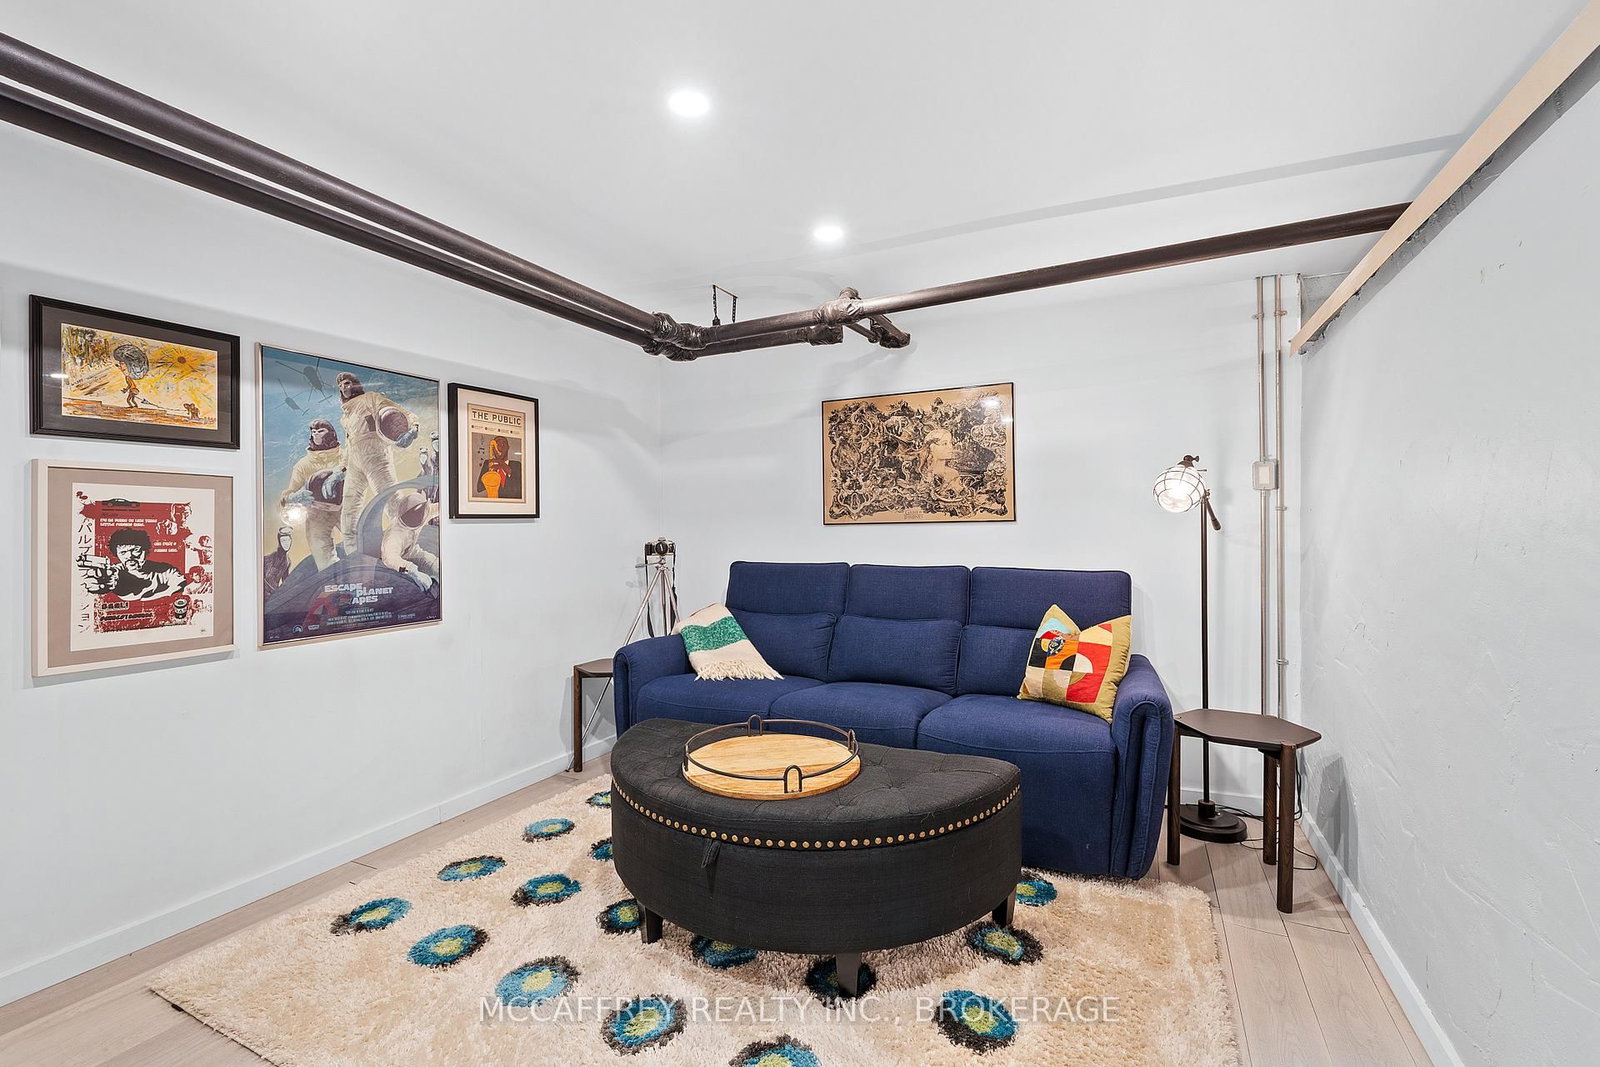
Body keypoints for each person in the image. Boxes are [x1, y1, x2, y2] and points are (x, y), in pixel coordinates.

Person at [334, 371, 418, 553]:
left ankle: (408, 550)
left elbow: (402, 413)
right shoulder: (346, 416)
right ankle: (353, 555)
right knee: (349, 510)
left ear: (355, 384)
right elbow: (350, 443)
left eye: (347, 383)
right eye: (340, 385)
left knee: (391, 501)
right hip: (355, 462)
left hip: (376, 456)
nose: (343, 387)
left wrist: (412, 429)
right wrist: (342, 468)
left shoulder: (370, 398)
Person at [279, 419, 344, 568]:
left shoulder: (345, 456)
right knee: (322, 554)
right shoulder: (303, 465)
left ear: (331, 434)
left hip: (346, 506)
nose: (316, 435)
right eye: (313, 432)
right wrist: (293, 498)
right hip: (317, 512)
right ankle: (332, 579)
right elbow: (288, 495)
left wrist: (342, 473)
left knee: (361, 542)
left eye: (321, 431)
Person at [84, 528, 185, 601]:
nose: (129, 556)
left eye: (135, 550)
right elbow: (112, 576)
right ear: (116, 554)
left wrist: (146, 599)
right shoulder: (116, 571)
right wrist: (104, 582)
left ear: (145, 550)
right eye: (123, 552)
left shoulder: (165, 570)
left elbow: (180, 584)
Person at [380, 489, 439, 593]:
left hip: (412, 551)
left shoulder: (425, 511)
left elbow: (439, 508)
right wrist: (412, 571)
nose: (414, 518)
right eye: (412, 516)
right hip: (398, 562)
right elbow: (390, 559)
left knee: (436, 565)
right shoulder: (394, 535)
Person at [263, 525, 293, 600]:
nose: (286, 543)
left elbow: (285, 582)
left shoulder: (287, 562)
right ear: (279, 542)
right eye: (283, 541)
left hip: (274, 597)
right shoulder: (268, 559)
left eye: (288, 540)